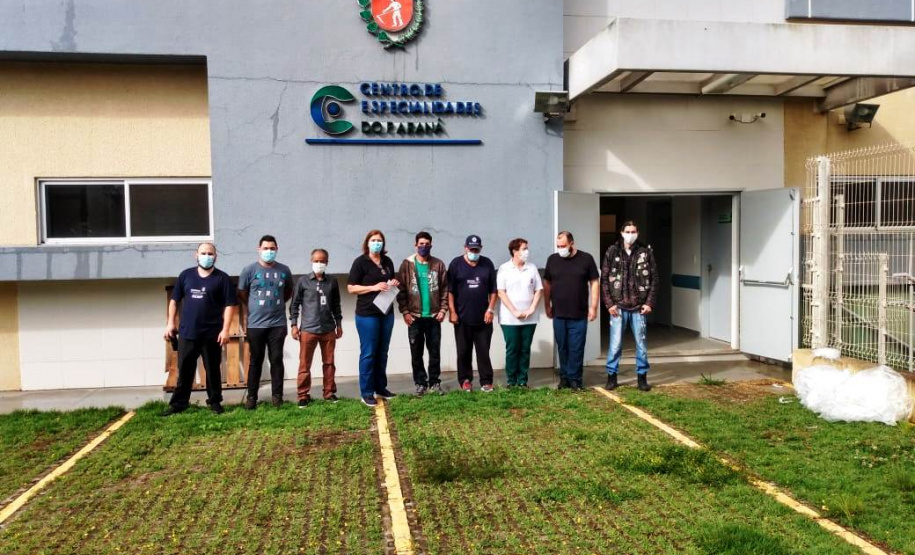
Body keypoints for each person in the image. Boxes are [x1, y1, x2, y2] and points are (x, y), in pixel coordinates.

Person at [162, 242, 238, 416]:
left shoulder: (222, 279)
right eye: (203, 253)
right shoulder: (186, 276)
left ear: (215, 257)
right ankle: (179, 404)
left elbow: (229, 305)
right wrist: (170, 323)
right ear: (195, 255)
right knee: (185, 370)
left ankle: (215, 402)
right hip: (188, 333)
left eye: (210, 254)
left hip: (212, 334)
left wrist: (225, 330)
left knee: (212, 371)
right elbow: (174, 300)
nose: (207, 256)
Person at [238, 235, 294, 409]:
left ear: (276, 249)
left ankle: (277, 397)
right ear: (259, 249)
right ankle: (251, 398)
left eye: (272, 248)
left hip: (277, 324)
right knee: (255, 360)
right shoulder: (249, 270)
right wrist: (254, 307)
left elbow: (288, 292)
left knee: (276, 359)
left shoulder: (284, 270)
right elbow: (242, 293)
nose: (269, 252)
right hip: (256, 325)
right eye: (265, 248)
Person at [601, 221, 658, 392]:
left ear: (638, 233)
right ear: (621, 232)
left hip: (639, 307)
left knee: (641, 343)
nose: (630, 234)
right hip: (617, 307)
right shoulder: (612, 251)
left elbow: (654, 278)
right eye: (627, 231)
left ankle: (642, 377)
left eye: (633, 231)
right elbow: (604, 279)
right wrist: (609, 304)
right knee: (615, 344)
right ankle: (612, 376)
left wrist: (649, 303)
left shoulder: (645, 252)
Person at [348, 230, 400, 407]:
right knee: (369, 353)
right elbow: (351, 288)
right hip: (367, 314)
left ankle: (381, 387)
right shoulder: (360, 262)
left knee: (382, 352)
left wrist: (392, 284)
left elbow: (390, 281)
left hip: (386, 313)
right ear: (367, 243)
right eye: (374, 240)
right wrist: (373, 287)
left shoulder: (387, 261)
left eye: (380, 241)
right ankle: (367, 392)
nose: (377, 243)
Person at [543, 231, 599, 391]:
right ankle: (564, 378)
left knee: (576, 347)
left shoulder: (586, 259)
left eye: (563, 246)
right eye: (558, 246)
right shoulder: (552, 260)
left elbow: (594, 283)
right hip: (559, 313)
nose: (560, 249)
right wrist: (547, 305)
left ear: (572, 243)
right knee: (563, 347)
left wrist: (593, 307)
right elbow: (547, 283)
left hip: (579, 313)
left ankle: (575, 379)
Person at [397, 232, 449, 396]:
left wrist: (443, 309)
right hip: (414, 317)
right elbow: (401, 290)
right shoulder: (407, 264)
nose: (424, 246)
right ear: (415, 245)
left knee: (435, 352)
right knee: (416, 353)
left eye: (427, 244)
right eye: (421, 244)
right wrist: (405, 311)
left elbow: (445, 289)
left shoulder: (438, 265)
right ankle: (420, 383)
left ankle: (434, 382)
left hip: (434, 316)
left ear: (431, 245)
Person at [290, 248, 343, 407]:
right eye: (316, 261)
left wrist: (339, 324)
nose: (319, 264)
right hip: (308, 329)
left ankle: (329, 392)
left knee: (329, 363)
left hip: (328, 329)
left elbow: (336, 305)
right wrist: (294, 325)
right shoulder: (303, 281)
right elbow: (294, 304)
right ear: (311, 261)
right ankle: (303, 395)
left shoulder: (332, 282)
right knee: (304, 364)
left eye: (322, 261)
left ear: (327, 262)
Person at [448, 235, 498, 392]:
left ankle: (486, 382)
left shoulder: (487, 264)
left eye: (476, 249)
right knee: (463, 352)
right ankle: (465, 381)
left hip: (483, 318)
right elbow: (450, 292)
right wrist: (453, 312)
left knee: (483, 352)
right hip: (462, 318)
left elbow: (493, 290)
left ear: (480, 249)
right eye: (471, 249)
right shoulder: (456, 264)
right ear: (465, 248)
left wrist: (490, 309)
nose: (474, 252)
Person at [497, 238, 543, 388]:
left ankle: (522, 381)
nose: (527, 251)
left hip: (529, 318)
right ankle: (511, 381)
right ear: (515, 251)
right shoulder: (504, 268)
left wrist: (531, 309)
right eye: (524, 249)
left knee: (525, 349)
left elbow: (538, 290)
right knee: (512, 349)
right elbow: (501, 292)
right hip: (509, 318)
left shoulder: (532, 268)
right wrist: (515, 311)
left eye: (527, 248)